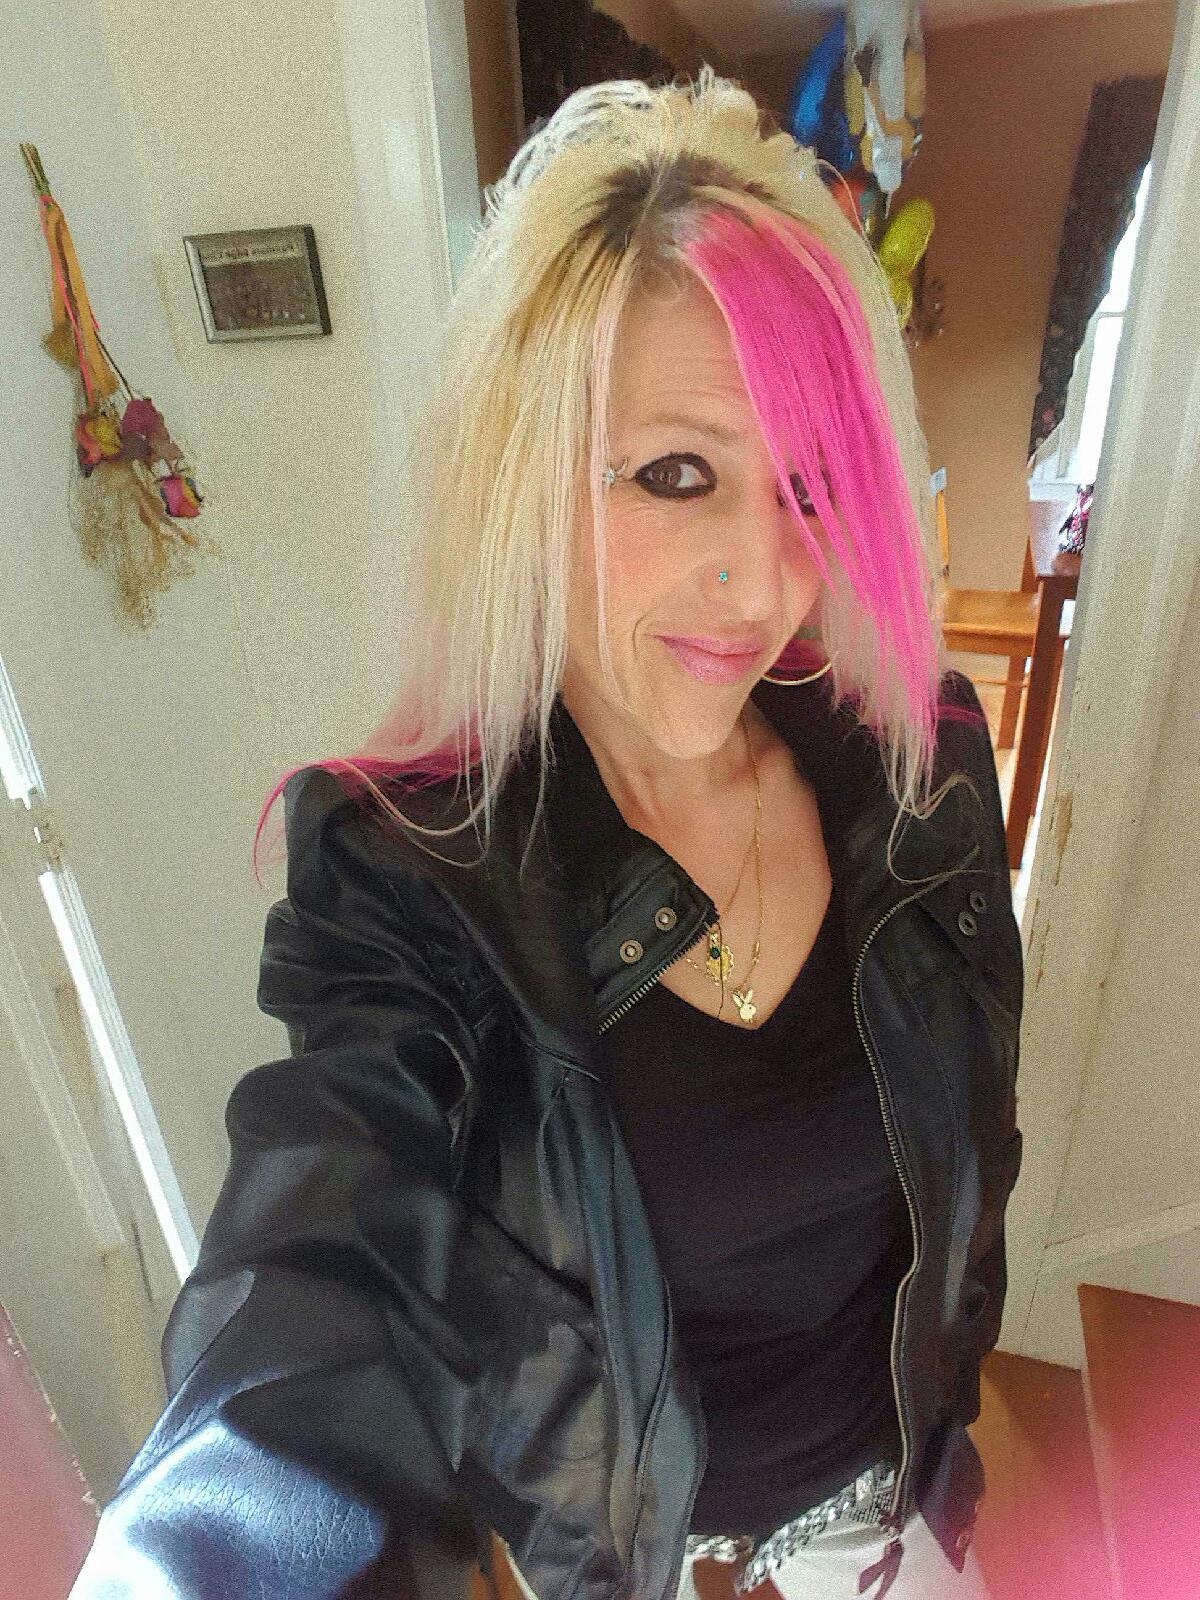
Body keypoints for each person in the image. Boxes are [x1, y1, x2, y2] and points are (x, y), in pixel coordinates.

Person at [68, 68, 1024, 1600]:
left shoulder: (922, 773)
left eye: (806, 486)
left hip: (897, 1531)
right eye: (675, 474)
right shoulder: (409, 876)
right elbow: (315, 1304)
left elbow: (969, 1180)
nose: (764, 575)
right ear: (525, 484)